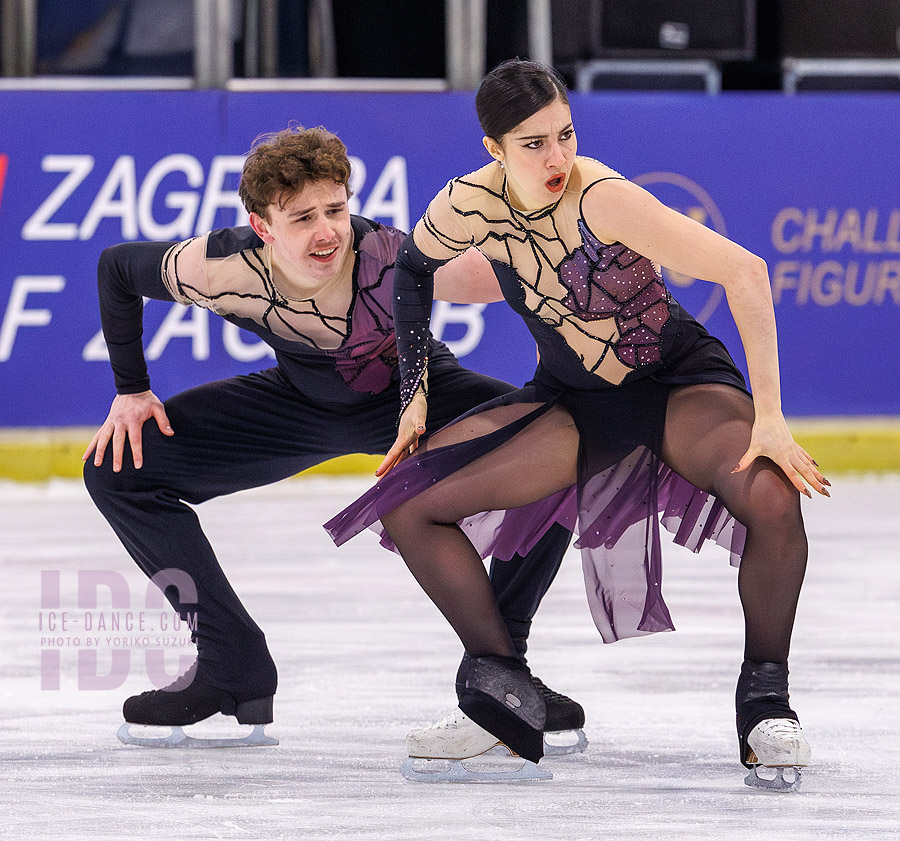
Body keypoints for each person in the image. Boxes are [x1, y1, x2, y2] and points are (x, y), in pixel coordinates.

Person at [325, 60, 830, 791]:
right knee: (408, 503)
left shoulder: (603, 198)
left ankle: (766, 705)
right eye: (533, 144)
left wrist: (772, 418)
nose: (556, 157)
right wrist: (415, 397)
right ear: (494, 149)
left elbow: (746, 272)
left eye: (564, 134)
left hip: (676, 386)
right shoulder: (466, 204)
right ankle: (502, 687)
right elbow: (411, 271)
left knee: (773, 496)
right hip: (575, 402)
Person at [82, 124, 582, 751]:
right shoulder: (219, 267)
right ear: (262, 226)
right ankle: (231, 661)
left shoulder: (392, 257)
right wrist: (132, 389)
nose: (327, 232)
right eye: (302, 218)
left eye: (336, 210)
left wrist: (559, 335)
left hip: (420, 396)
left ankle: (502, 668)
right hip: (299, 402)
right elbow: (117, 269)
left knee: (558, 449)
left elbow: (517, 277)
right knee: (118, 470)